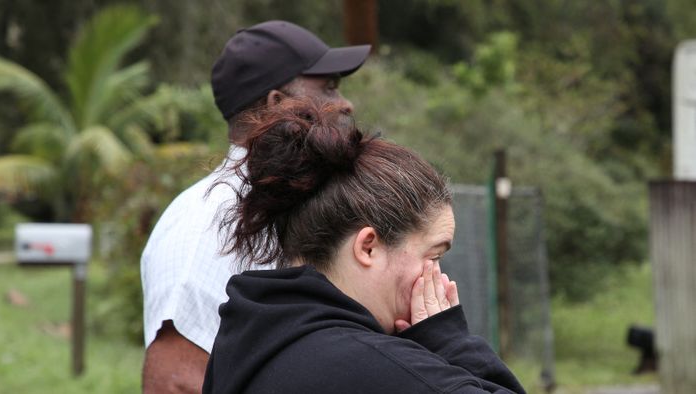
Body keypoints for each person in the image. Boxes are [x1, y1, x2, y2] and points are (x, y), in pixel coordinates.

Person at [202, 99, 526, 394]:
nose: (440, 281)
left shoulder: (244, 341)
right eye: (434, 256)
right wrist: (451, 342)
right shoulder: (379, 368)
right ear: (368, 247)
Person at [141, 21, 370, 393]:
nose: (346, 103)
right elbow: (176, 382)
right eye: (328, 86)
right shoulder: (207, 225)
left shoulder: (296, 200)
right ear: (276, 105)